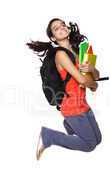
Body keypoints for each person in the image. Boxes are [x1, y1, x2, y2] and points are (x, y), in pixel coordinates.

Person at [26, 18, 102, 160]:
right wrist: (94, 84)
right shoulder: (60, 54)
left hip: (83, 104)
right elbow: (84, 81)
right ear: (53, 38)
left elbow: (95, 77)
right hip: (72, 106)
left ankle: (69, 125)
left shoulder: (78, 51)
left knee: (98, 139)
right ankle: (48, 136)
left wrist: (92, 68)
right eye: (56, 28)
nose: (61, 27)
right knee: (90, 144)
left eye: (63, 25)